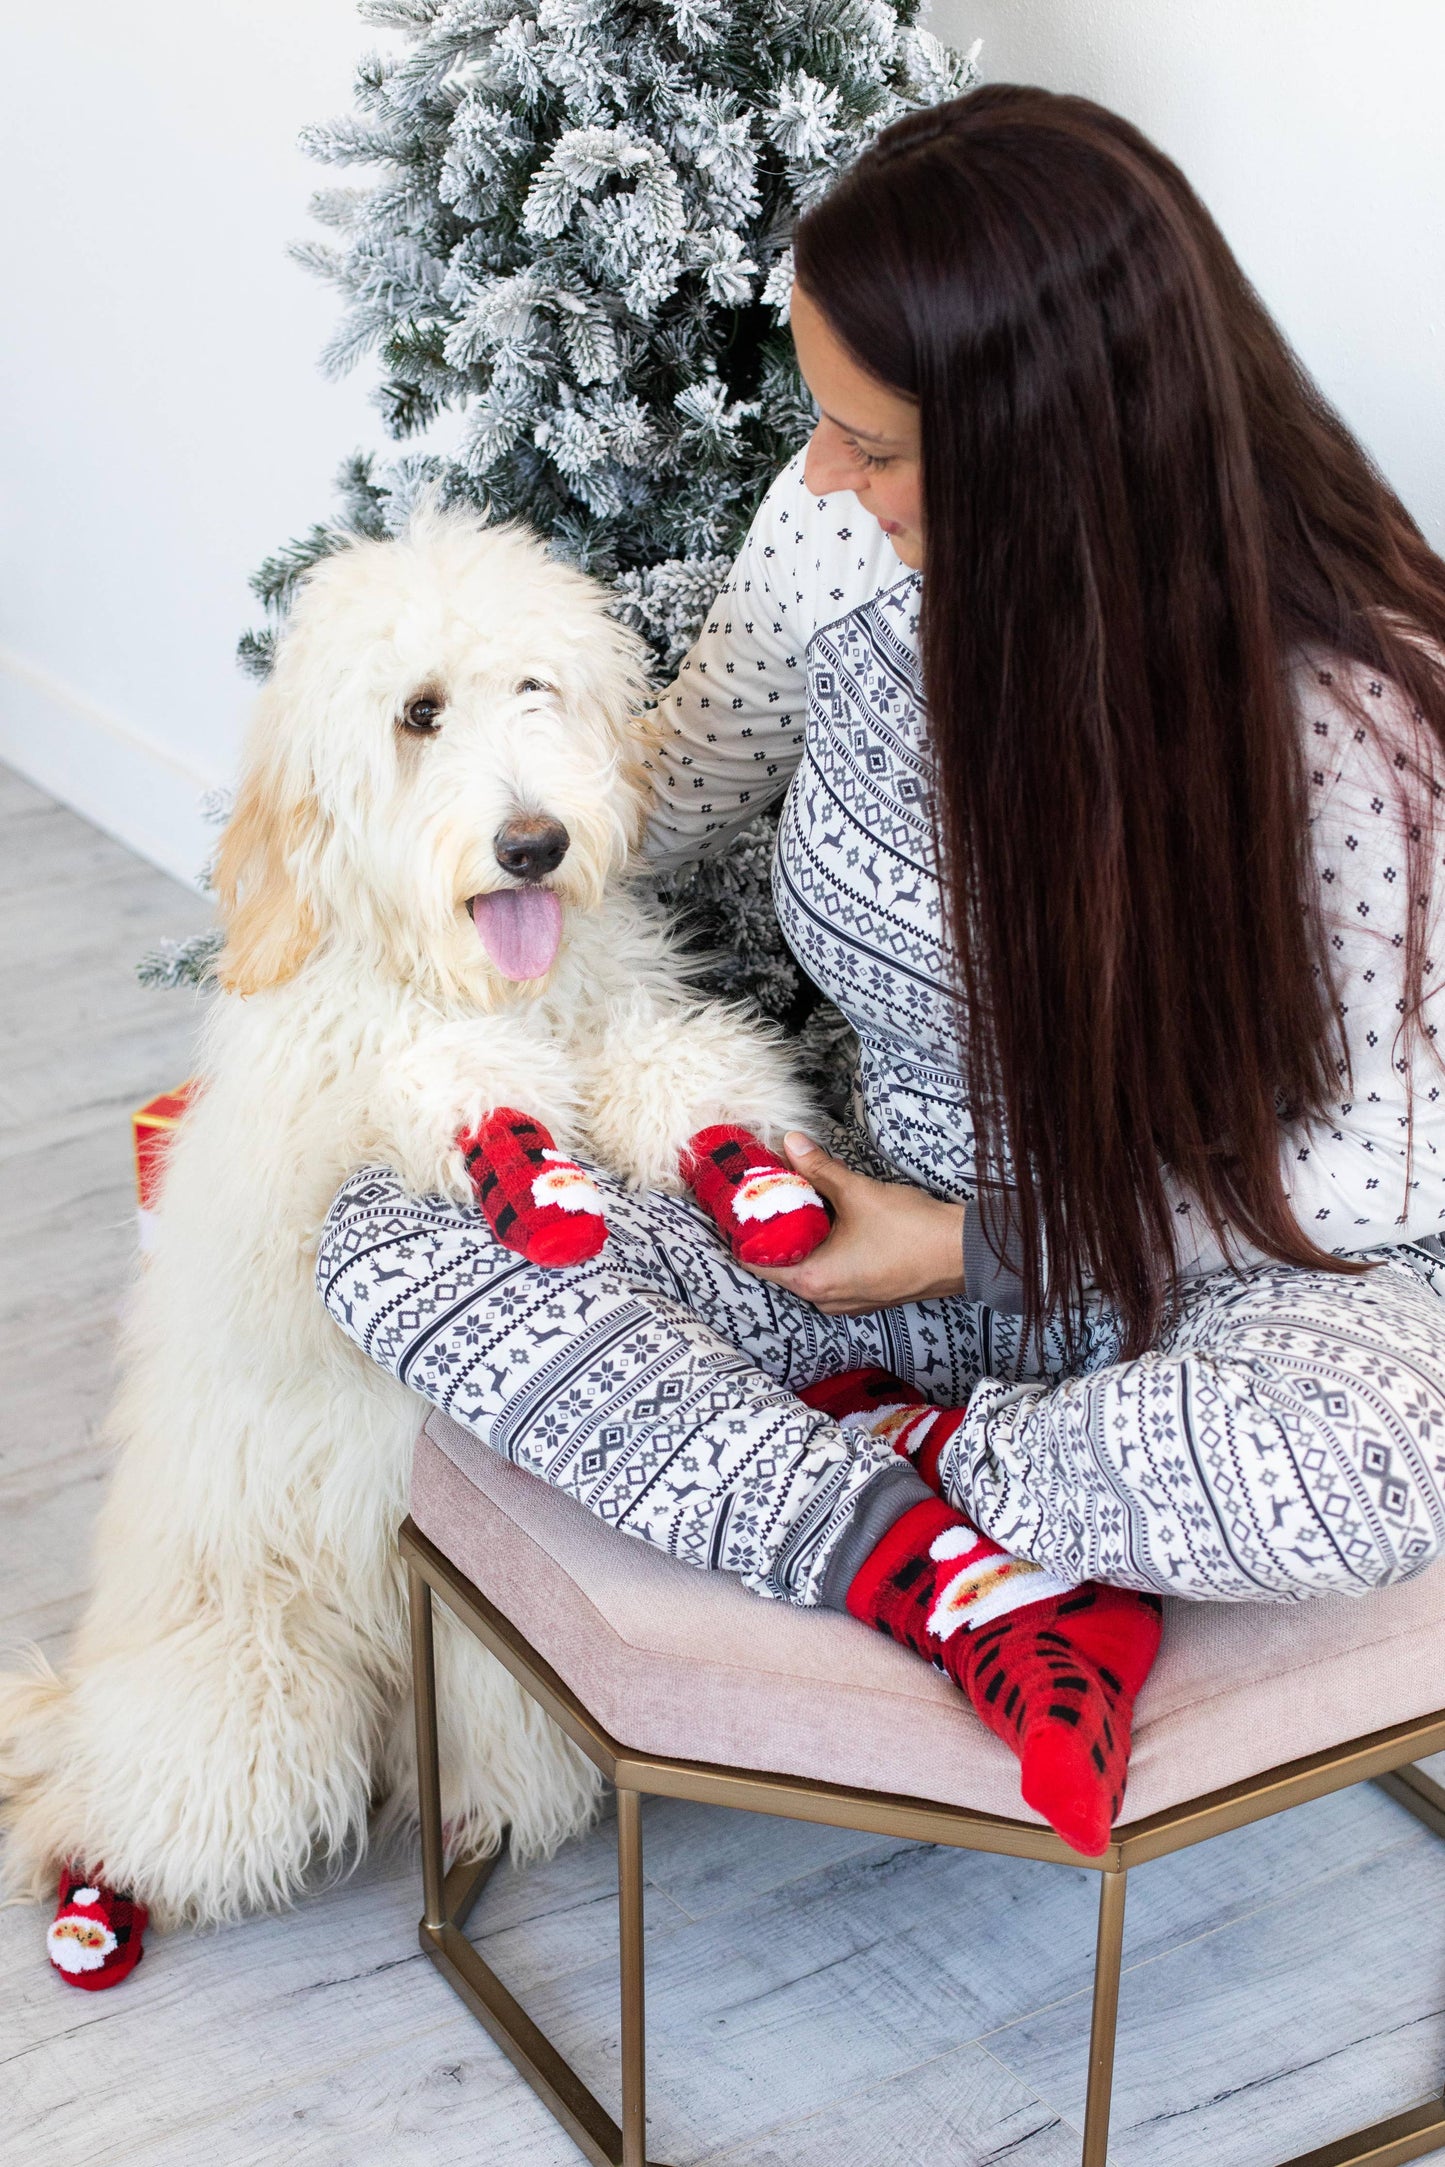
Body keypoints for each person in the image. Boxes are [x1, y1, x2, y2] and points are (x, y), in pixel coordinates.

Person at [317, 86, 1445, 1854]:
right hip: (883, 1232)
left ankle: (911, 1485)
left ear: (1052, 445)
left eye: (875, 440)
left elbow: (1389, 1168)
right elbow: (669, 796)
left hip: (1235, 1282)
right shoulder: (836, 532)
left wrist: (984, 1243)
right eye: (821, 427)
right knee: (386, 1236)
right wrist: (415, 834)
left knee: (1360, 1473)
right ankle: (955, 1579)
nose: (825, 473)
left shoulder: (1351, 714)